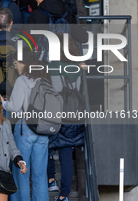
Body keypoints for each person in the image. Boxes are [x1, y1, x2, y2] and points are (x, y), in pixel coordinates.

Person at [1, 48, 49, 201]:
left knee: (21, 171)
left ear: (24, 62)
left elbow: (15, 107)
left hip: (26, 128)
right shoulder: (44, 78)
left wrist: (2, 103)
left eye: (16, 62)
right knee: (40, 174)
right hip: (43, 129)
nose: (15, 66)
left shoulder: (22, 80)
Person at [47, 34, 85, 201]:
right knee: (66, 155)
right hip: (75, 115)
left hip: (58, 114)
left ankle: (51, 180)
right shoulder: (78, 66)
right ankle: (64, 195)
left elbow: (55, 89)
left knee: (46, 146)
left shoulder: (54, 65)